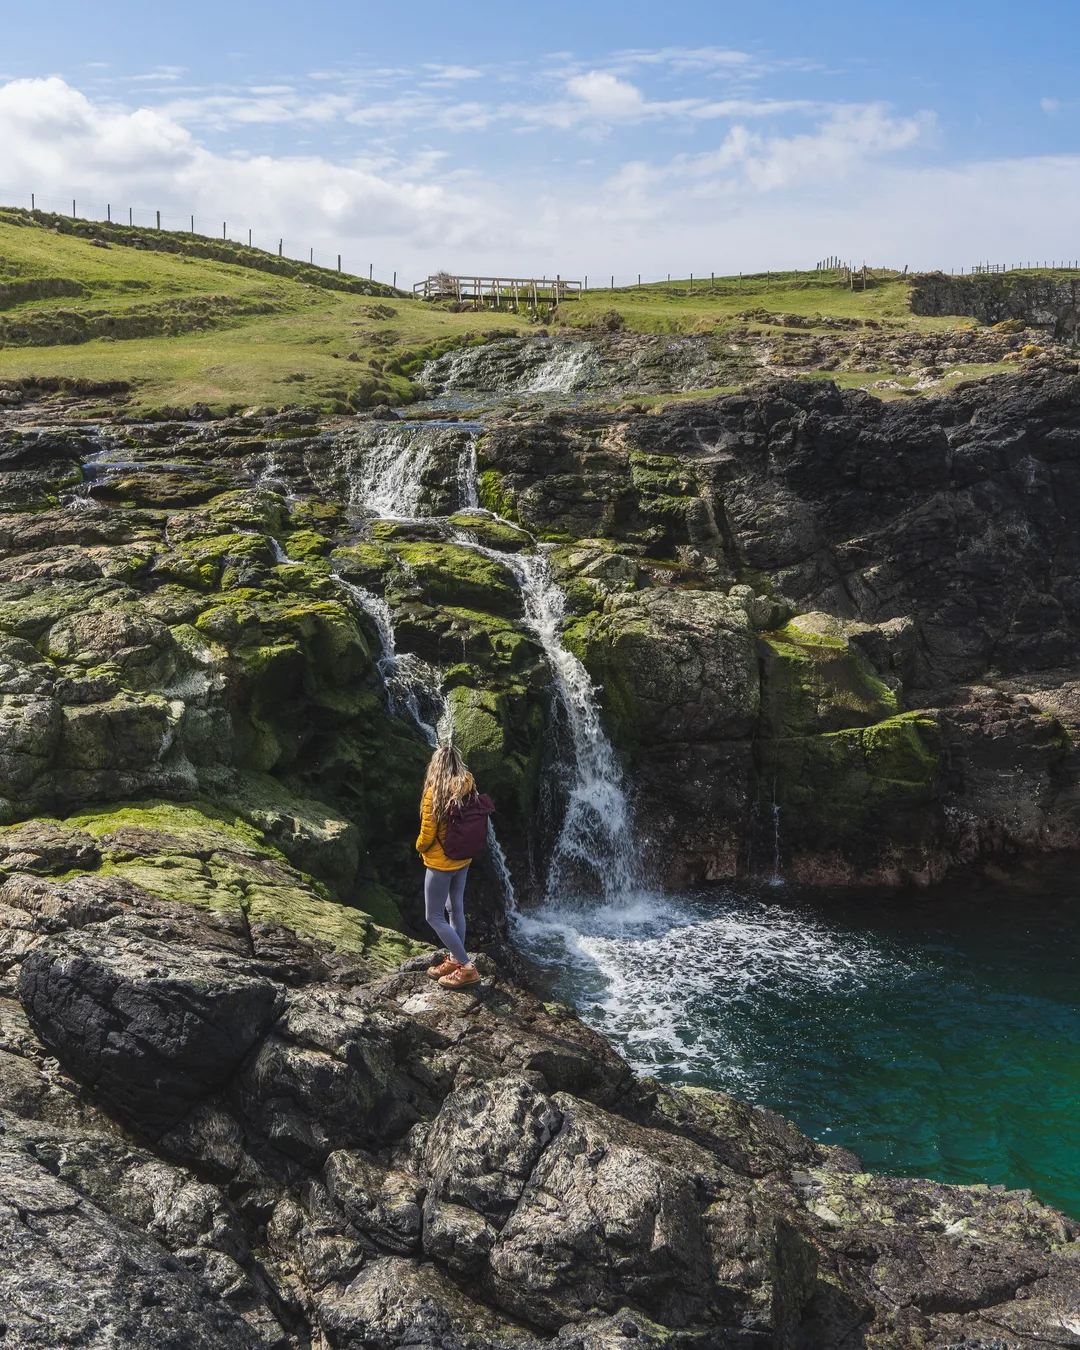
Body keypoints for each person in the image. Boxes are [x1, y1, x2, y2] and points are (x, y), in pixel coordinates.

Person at [417, 745, 480, 988]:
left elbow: (427, 834)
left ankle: (466, 966)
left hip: (440, 863)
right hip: (463, 858)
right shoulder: (467, 784)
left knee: (433, 916)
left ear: (436, 765)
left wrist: (419, 847)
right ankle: (454, 960)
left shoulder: (435, 792)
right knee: (455, 909)